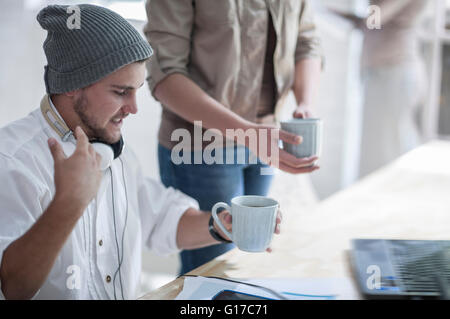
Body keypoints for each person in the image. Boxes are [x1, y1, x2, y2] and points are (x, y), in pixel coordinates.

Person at [0, 4, 282, 300]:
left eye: (136, 91)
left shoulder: (115, 151)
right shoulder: (11, 161)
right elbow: (12, 287)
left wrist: (224, 225)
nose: (134, 108)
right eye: (121, 92)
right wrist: (67, 205)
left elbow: (161, 220)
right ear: (72, 85)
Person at [144, 0, 323, 275]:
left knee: (248, 259)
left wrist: (305, 103)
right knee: (214, 271)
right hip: (199, 147)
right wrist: (245, 132)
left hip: (263, 140)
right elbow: (165, 74)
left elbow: (307, 41)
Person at [332, 0, 428, 177]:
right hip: (383, 72)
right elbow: (368, 22)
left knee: (390, 150)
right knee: (380, 147)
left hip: (394, 73)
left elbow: (373, 20)